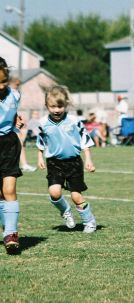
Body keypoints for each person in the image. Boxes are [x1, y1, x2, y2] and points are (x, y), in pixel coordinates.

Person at [36, 85, 97, 233]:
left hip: (73, 162)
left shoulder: (74, 121)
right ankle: (65, 211)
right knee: (54, 192)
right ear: (46, 106)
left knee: (76, 196)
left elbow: (84, 140)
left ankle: (89, 222)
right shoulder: (43, 123)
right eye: (53, 106)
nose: (57, 110)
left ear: (66, 105)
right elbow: (41, 141)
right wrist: (40, 157)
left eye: (60, 106)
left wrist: (88, 159)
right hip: (54, 162)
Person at [0, 57, 23, 254]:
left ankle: (11, 233)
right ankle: (5, 223)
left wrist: (17, 120)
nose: (1, 86)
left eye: (3, 81)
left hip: (8, 144)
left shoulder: (14, 94)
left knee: (9, 188)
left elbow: (14, 112)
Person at [9, 76, 36, 172]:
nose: (18, 86)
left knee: (20, 140)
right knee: (19, 140)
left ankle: (24, 164)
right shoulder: (9, 93)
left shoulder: (15, 93)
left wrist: (18, 117)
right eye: (17, 84)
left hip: (11, 123)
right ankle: (23, 164)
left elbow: (12, 110)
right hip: (6, 124)